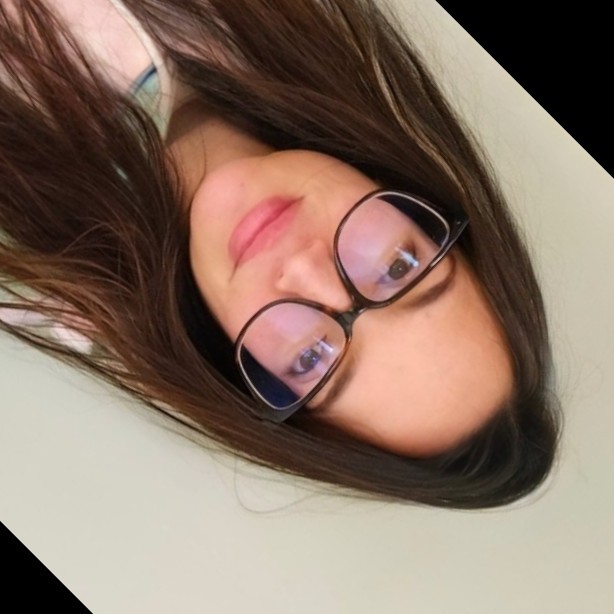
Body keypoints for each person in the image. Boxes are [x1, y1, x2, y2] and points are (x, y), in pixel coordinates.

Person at [0, 0, 561, 508]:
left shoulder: (34, 265)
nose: (305, 270)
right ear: (422, 206)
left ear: (248, 384)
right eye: (400, 268)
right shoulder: (274, 23)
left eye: (310, 358)